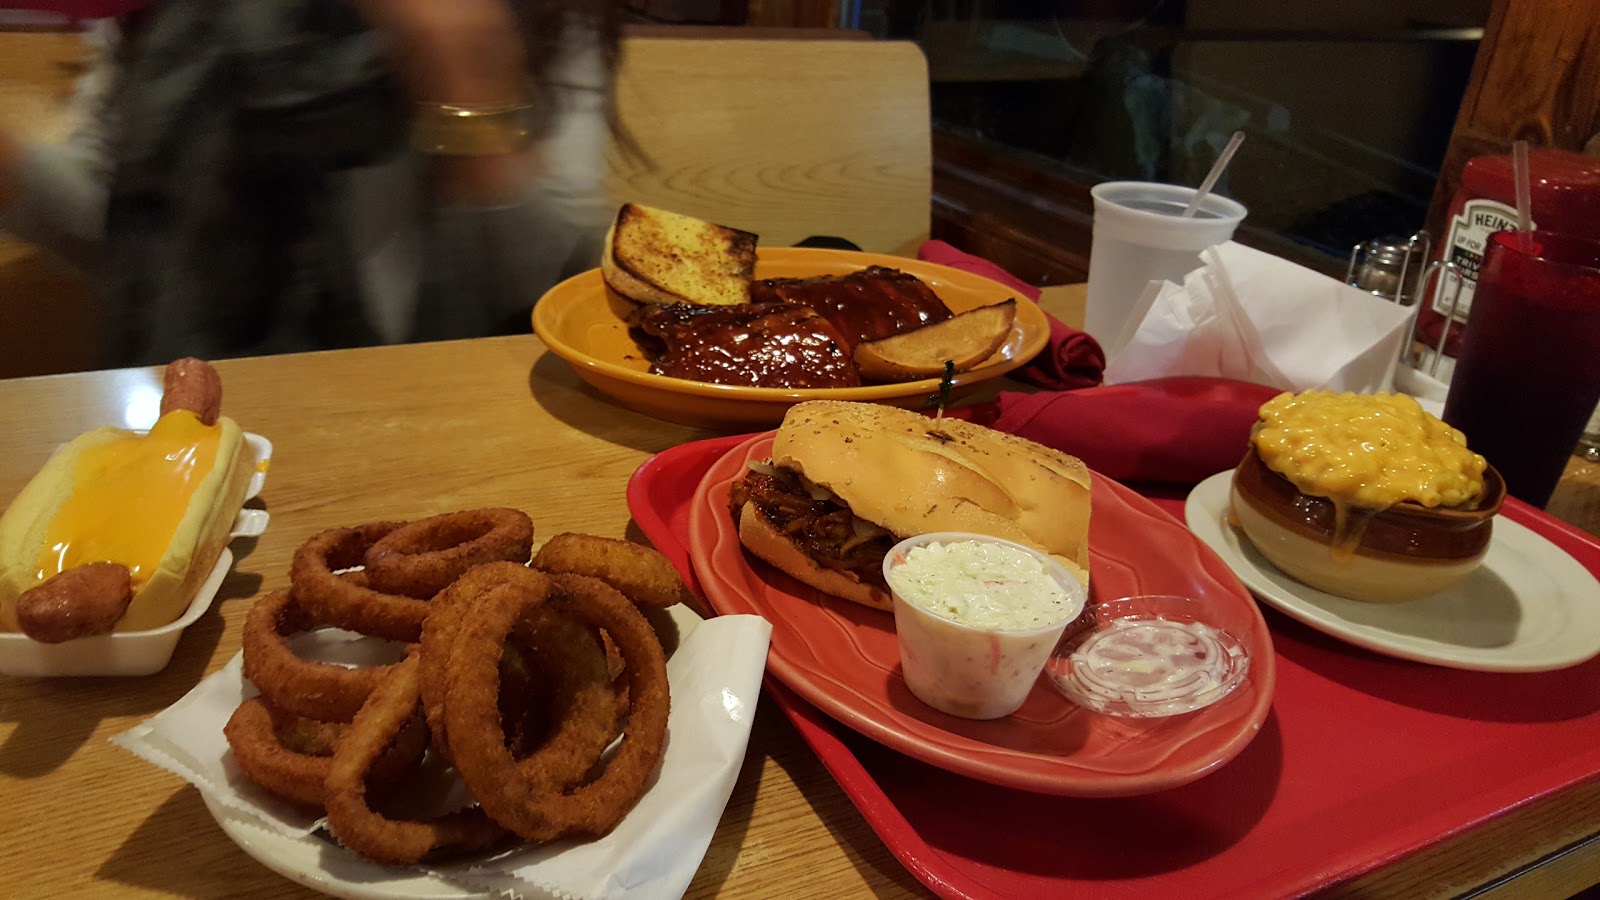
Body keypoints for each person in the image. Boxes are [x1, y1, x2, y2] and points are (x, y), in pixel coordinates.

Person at [0, 0, 623, 366]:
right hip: (202, 433)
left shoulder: (538, 15)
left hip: (444, 432)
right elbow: (122, 228)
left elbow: (558, 285)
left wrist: (467, 92)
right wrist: (12, 170)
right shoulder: (173, 18)